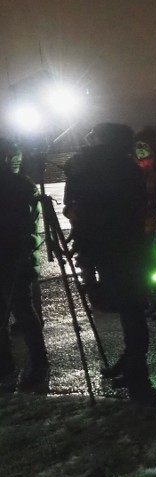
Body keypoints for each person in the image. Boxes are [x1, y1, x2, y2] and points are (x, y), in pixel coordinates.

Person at [63, 123, 156, 406]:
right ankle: (132, 361)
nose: (88, 139)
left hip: (108, 248)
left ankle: (136, 371)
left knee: (129, 309)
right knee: (131, 310)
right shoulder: (127, 168)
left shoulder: (93, 168)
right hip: (128, 248)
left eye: (94, 137)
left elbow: (77, 200)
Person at [0, 138, 50, 392]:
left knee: (22, 310)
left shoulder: (18, 187)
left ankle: (39, 362)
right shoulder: (21, 185)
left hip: (14, 257)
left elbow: (23, 227)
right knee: (17, 310)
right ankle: (8, 361)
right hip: (13, 256)